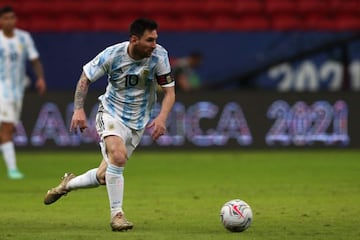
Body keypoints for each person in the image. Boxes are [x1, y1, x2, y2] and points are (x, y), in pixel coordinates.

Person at [43, 18, 175, 232]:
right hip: (111, 113)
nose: (154, 44)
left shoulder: (160, 55)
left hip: (138, 121)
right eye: (149, 40)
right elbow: (85, 78)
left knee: (106, 175)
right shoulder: (113, 54)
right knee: (118, 156)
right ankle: (117, 215)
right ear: (134, 39)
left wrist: (161, 117)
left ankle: (67, 185)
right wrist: (78, 109)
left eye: (155, 39)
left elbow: (170, 92)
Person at [0, 6, 46, 179]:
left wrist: (40, 78)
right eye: (5, 18)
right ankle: (12, 169)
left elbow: (34, 60)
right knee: (7, 127)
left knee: (7, 130)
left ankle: (11, 166)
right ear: (0, 21)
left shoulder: (24, 37)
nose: (9, 21)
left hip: (17, 90)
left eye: (12, 17)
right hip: (1, 89)